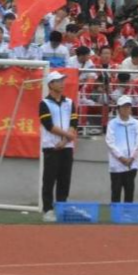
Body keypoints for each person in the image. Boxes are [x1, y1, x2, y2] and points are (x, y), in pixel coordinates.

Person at [39, 71, 78, 223]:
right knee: (49, 179)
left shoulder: (69, 102)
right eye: (58, 81)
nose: (62, 83)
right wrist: (67, 136)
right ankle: (48, 210)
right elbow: (48, 125)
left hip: (67, 147)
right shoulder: (44, 103)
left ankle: (62, 207)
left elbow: (74, 122)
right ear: (50, 84)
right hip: (51, 146)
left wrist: (66, 140)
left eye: (62, 80)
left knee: (64, 179)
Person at [105, 95, 138, 203]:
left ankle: (128, 212)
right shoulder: (112, 124)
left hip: (132, 164)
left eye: (128, 106)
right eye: (124, 107)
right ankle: (115, 212)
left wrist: (132, 158)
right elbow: (110, 142)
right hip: (117, 164)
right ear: (118, 108)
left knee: (129, 192)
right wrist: (121, 157)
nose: (126, 109)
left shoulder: (136, 123)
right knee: (116, 192)